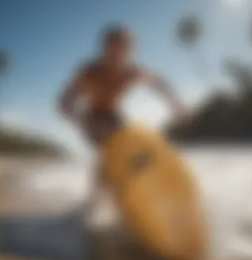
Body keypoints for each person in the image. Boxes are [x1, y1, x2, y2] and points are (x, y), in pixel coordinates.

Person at [57, 24, 190, 207]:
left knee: (133, 151)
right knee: (107, 150)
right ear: (103, 49)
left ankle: (134, 194)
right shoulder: (90, 72)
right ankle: (95, 201)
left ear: (130, 50)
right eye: (113, 47)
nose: (118, 54)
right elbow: (64, 102)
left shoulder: (130, 71)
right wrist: (80, 119)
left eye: (124, 48)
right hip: (92, 115)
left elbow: (159, 83)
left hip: (115, 115)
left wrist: (177, 104)